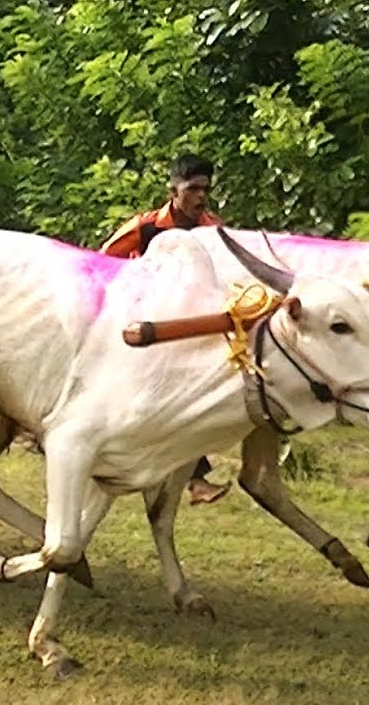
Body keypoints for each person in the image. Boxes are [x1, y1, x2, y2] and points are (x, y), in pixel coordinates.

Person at [100, 153, 231, 505]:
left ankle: (188, 478)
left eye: (205, 189)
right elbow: (101, 263)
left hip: (185, 330)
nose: (200, 196)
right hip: (139, 328)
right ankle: (191, 479)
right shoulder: (145, 227)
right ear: (173, 189)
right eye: (192, 189)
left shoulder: (213, 230)